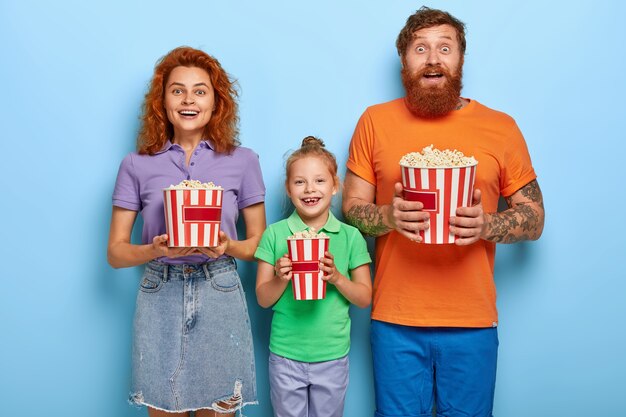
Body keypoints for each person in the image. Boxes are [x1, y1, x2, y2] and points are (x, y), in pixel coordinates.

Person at [342, 7, 545, 417]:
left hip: (472, 321)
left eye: (445, 48)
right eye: (421, 48)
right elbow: (350, 209)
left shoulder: (500, 127)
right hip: (395, 319)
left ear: (460, 59)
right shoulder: (375, 122)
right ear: (405, 61)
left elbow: (535, 216)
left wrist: (489, 224)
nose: (433, 58)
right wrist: (387, 217)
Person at [107, 46, 266, 417]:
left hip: (220, 287)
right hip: (159, 290)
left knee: (219, 409)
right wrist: (154, 250)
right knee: (164, 409)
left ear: (216, 102)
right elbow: (115, 252)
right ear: (162, 101)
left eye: (200, 90)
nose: (189, 99)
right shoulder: (136, 165)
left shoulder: (243, 161)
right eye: (177, 90)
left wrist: (229, 245)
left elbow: (260, 243)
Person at [255, 136, 372, 417]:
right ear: (288, 188)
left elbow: (365, 297)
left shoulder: (350, 236)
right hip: (285, 355)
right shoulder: (275, 234)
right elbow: (262, 298)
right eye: (299, 182)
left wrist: (337, 278)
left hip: (332, 355)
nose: (310, 189)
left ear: (335, 186)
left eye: (320, 181)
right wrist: (281, 278)